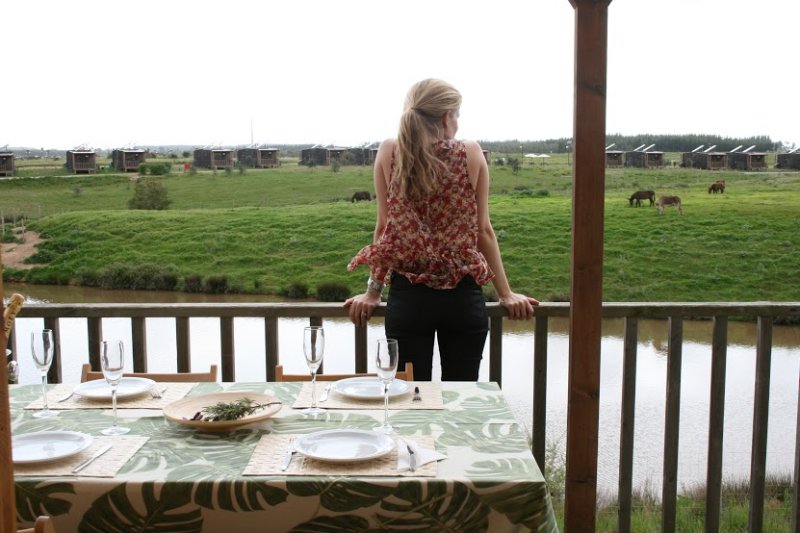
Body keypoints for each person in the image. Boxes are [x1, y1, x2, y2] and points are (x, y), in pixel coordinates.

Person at [344, 79, 539, 381]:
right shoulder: (471, 153)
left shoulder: (388, 151)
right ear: (447, 116)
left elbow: (385, 229)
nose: (458, 124)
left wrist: (372, 293)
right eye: (458, 115)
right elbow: (483, 231)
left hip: (409, 300)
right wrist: (506, 293)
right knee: (460, 398)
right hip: (462, 298)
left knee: (409, 400)